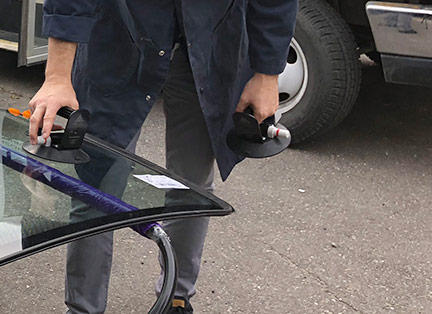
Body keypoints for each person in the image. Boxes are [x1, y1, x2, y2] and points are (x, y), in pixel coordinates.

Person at [27, 0, 298, 313]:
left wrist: (267, 74)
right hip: (120, 38)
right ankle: (83, 309)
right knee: (96, 186)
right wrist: (58, 75)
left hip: (208, 45)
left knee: (191, 188)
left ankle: (177, 299)